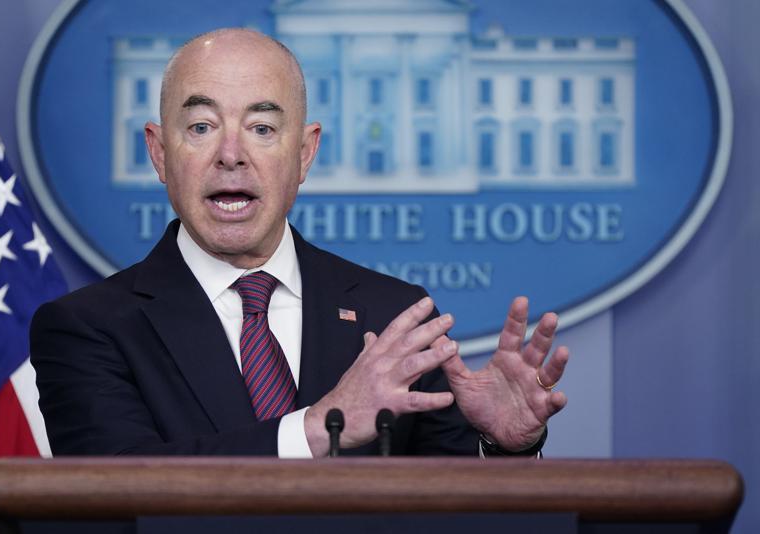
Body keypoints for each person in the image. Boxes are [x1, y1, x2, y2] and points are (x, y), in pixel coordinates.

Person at [30, 28, 569, 458]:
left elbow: (453, 512)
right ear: (160, 153)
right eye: (201, 127)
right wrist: (317, 428)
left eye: (262, 128)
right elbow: (115, 503)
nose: (231, 154)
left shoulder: (396, 317)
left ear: (305, 153)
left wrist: (501, 449)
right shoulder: (86, 328)